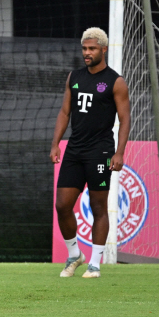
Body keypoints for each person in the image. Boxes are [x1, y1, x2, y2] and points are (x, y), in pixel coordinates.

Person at [51, 27, 130, 279]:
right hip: (74, 149)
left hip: (100, 150)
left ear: (103, 50)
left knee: (98, 207)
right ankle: (75, 255)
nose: (87, 53)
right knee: (62, 205)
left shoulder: (116, 81)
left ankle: (95, 263)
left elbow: (125, 119)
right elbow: (65, 113)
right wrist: (56, 144)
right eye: (84, 48)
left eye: (92, 48)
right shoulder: (74, 76)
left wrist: (119, 152)